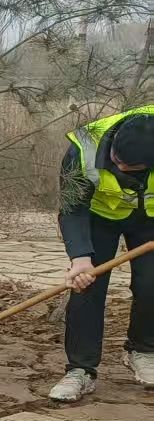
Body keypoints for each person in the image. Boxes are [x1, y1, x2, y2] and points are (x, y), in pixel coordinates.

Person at [48, 105, 154, 402]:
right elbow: (72, 209)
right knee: (86, 285)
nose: (117, 166)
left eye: (128, 167)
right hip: (97, 218)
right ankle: (80, 370)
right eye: (115, 159)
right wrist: (80, 258)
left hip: (150, 219)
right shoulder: (84, 147)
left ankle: (143, 351)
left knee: (151, 283)